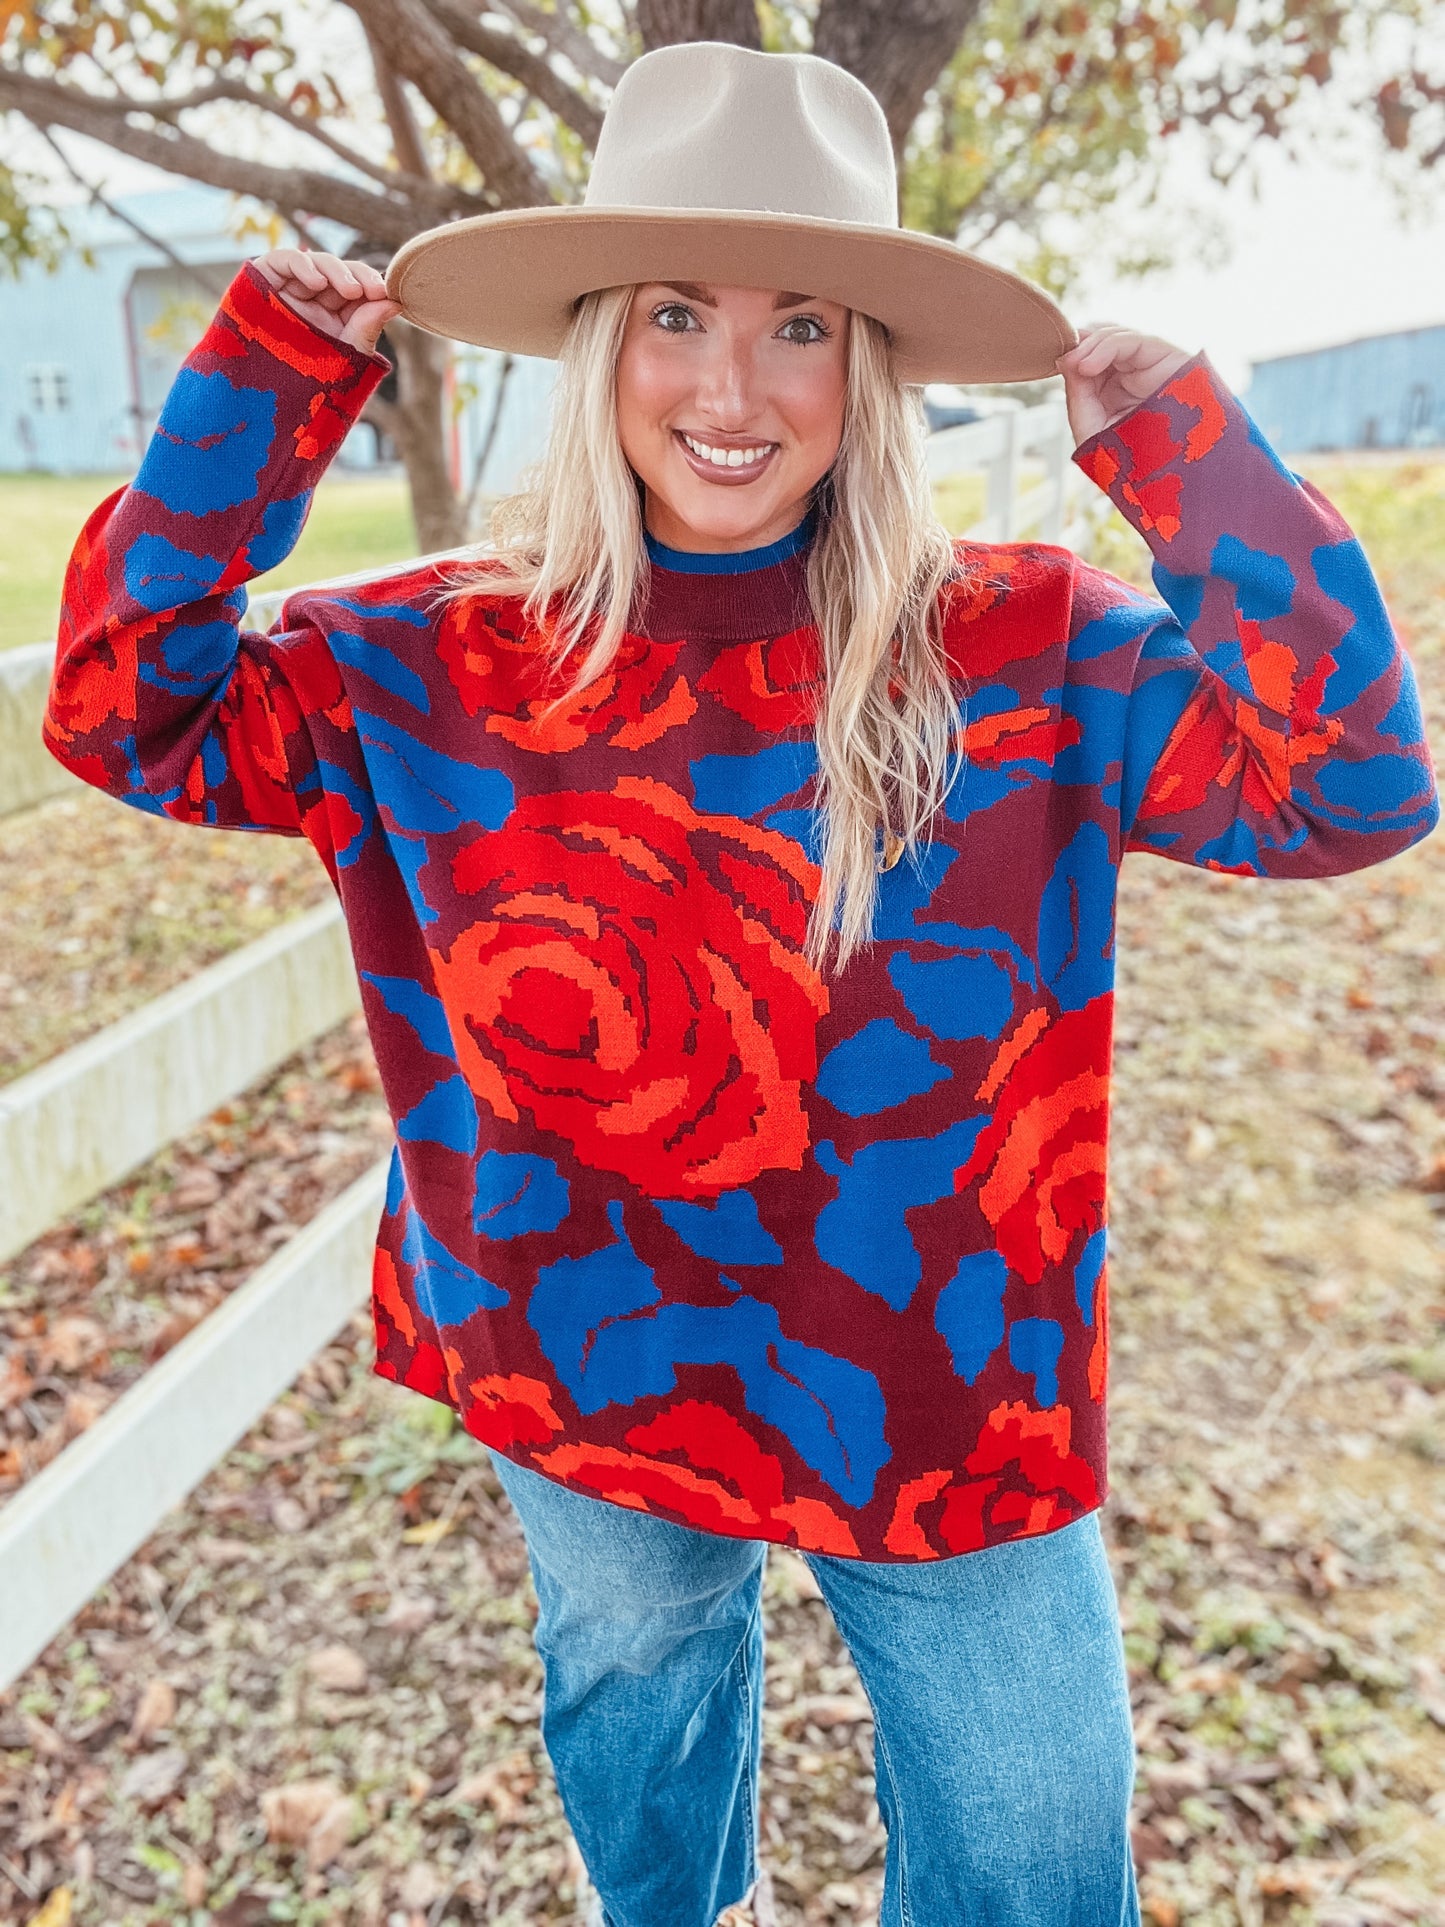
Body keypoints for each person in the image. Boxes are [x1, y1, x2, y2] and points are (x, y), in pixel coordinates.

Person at [45, 38, 1437, 1927]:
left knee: (1035, 1849)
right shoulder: (434, 662)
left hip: (944, 1389)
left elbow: (1352, 791)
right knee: (639, 1727)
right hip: (586, 1349)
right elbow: (126, 710)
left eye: (799, 328)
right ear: (599, 340)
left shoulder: (1023, 651)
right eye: (677, 315)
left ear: (865, 366)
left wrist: (1186, 450)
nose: (729, 386)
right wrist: (264, 392)